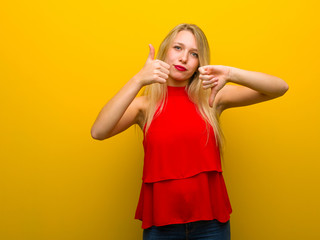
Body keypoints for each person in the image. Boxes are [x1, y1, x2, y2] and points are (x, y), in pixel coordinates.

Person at [91, 23, 289, 240]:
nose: (184, 58)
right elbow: (99, 131)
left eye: (194, 53)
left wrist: (231, 73)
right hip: (161, 225)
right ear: (164, 50)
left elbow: (279, 88)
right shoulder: (145, 105)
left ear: (199, 63)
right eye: (177, 48)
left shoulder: (211, 98)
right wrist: (138, 79)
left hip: (211, 224)